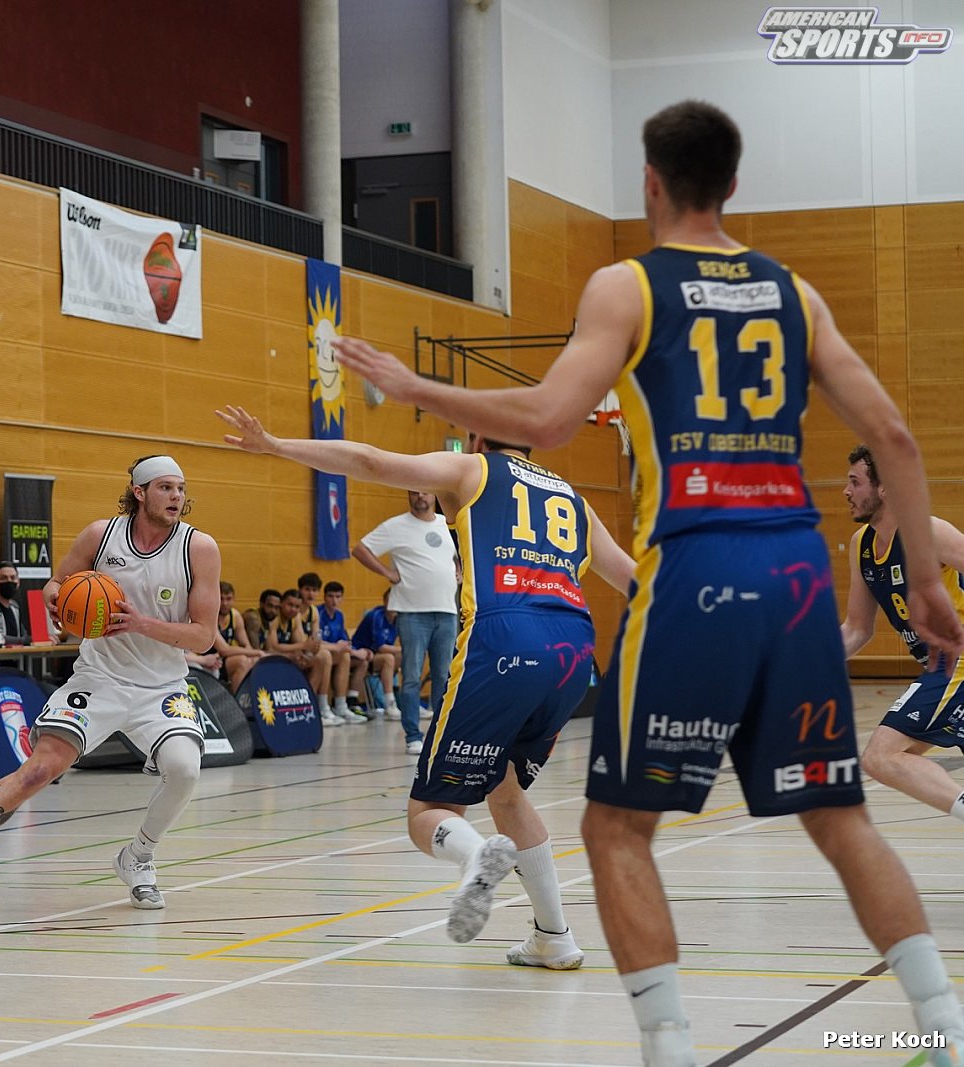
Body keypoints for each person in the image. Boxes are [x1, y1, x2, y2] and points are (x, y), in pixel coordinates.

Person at [330, 100, 964, 1067]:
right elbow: (898, 439)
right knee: (839, 816)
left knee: (620, 830)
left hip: (697, 573)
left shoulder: (628, 285)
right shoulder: (793, 291)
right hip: (791, 568)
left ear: (651, 183)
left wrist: (418, 388)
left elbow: (546, 419)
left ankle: (667, 1046)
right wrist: (924, 579)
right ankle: (944, 1027)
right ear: (734, 185)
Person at [220, 407, 633, 964]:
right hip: (574, 653)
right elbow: (634, 578)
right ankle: (553, 938)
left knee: (428, 812)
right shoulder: (574, 500)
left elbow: (369, 460)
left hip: (504, 638)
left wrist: (276, 443)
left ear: (477, 437)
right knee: (506, 789)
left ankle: (474, 855)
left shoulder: (472, 469)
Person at [0, 454, 221, 914]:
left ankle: (137, 857)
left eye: (180, 488)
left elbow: (204, 636)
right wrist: (59, 603)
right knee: (39, 770)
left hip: (162, 686)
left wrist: (140, 624)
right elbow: (55, 585)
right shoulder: (101, 535)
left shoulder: (199, 548)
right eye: (165, 487)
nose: (177, 496)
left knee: (185, 770)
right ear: (139, 492)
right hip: (100, 677)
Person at [840, 444, 964, 826]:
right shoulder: (862, 545)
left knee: (882, 755)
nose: (846, 491)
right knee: (890, 758)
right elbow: (857, 629)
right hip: (938, 668)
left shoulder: (926, 532)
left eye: (855, 482)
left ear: (885, 487)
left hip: (955, 663)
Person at [353, 490, 458, 754]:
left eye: (425, 491)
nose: (420, 495)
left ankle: (440, 735)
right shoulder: (395, 526)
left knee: (443, 676)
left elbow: (463, 553)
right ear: (408, 495)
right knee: (411, 676)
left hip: (447, 611)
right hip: (412, 614)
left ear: (434, 494)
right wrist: (387, 572)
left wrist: (459, 569)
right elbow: (360, 549)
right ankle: (413, 735)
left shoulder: (449, 524)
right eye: (414, 491)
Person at [266, 588, 352, 727]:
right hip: (268, 656)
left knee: (320, 659)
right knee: (324, 656)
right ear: (282, 604)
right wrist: (302, 648)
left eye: (296, 606)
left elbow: (302, 643)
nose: (293, 609)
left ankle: (312, 705)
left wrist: (304, 652)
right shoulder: (275, 619)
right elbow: (272, 647)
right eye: (290, 605)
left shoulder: (295, 618)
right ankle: (316, 707)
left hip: (286, 656)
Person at [319, 580, 375, 719]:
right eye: (331, 596)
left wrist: (359, 652)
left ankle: (350, 702)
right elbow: (317, 642)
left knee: (362, 662)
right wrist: (353, 652)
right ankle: (334, 705)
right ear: (324, 597)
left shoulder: (339, 616)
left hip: (337, 655)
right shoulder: (318, 613)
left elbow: (345, 642)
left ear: (342, 598)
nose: (334, 600)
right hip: (323, 655)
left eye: (338, 597)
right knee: (344, 656)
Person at [352, 590, 402, 720]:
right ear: (385, 602)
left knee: (406, 657)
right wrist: (404, 649)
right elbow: (381, 647)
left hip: (375, 656)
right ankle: (390, 704)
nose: (394, 604)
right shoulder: (376, 616)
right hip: (362, 654)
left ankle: (404, 700)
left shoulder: (398, 619)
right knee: (389, 658)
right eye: (391, 601)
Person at [211, 580, 264, 690]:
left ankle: (248, 695)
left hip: (223, 660)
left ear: (234, 599)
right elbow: (224, 650)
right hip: (207, 659)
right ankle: (236, 698)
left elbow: (246, 645)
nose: (225, 603)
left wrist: (254, 656)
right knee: (242, 661)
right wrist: (258, 652)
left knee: (253, 660)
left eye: (228, 599)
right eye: (221, 599)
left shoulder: (235, 615)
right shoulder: (210, 616)